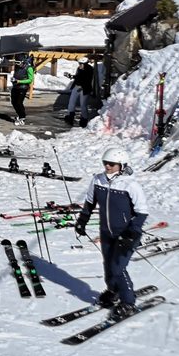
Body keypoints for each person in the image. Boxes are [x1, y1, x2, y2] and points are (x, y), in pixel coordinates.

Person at [74, 147, 148, 319]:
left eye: (112, 164)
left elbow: (142, 212)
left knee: (117, 268)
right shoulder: (98, 180)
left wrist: (132, 232)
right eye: (105, 163)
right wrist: (81, 222)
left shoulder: (130, 184)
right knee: (108, 264)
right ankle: (113, 291)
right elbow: (89, 203)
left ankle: (128, 302)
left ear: (121, 165)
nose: (107, 166)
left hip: (127, 234)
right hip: (106, 232)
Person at [66, 57, 94, 127]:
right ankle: (70, 116)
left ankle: (84, 119)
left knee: (83, 105)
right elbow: (78, 77)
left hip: (84, 89)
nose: (80, 65)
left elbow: (87, 80)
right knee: (71, 102)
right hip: (77, 86)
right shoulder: (79, 69)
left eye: (82, 64)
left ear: (86, 64)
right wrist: (71, 76)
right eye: (79, 63)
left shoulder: (90, 70)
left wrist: (82, 87)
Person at [10, 55, 35, 125]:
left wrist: (19, 81)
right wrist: (13, 80)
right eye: (16, 62)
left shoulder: (29, 68)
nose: (17, 64)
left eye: (18, 62)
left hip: (23, 87)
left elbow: (30, 80)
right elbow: (16, 75)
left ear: (23, 61)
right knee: (13, 102)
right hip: (15, 86)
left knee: (19, 102)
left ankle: (22, 116)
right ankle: (19, 114)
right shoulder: (17, 67)